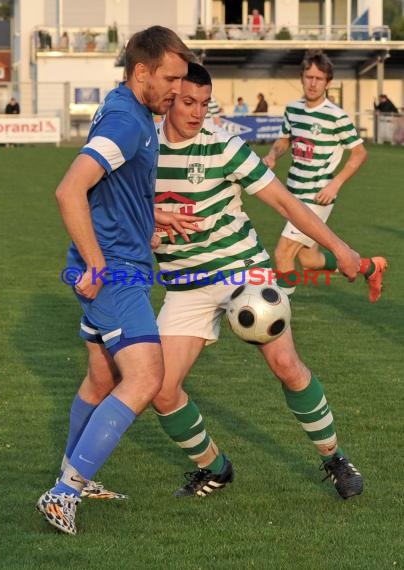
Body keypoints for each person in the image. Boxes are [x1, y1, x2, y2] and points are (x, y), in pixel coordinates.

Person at [151, 62, 364, 501]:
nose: (196, 113)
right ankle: (215, 467)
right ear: (168, 97)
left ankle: (334, 458)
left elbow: (285, 203)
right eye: (188, 102)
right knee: (160, 389)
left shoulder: (224, 147)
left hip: (243, 270)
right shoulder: (142, 147)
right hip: (185, 282)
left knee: (285, 364)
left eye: (204, 105)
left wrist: (340, 248)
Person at [35, 25, 197, 536]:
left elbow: (112, 188)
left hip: (118, 259)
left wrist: (148, 217)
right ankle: (62, 494)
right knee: (147, 377)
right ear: (141, 72)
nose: (177, 90)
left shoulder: (126, 107)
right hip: (114, 274)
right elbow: (70, 190)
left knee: (102, 379)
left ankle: (74, 480)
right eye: (170, 79)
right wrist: (97, 263)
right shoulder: (129, 123)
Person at [264, 50, 387, 301]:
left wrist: (335, 184)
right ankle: (370, 267)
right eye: (308, 77)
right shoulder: (293, 109)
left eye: (319, 79)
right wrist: (273, 156)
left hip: (317, 196)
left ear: (328, 82)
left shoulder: (336, 115)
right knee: (309, 260)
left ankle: (280, 316)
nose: (312, 83)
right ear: (301, 78)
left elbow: (359, 153)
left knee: (283, 253)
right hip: (293, 193)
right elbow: (285, 140)